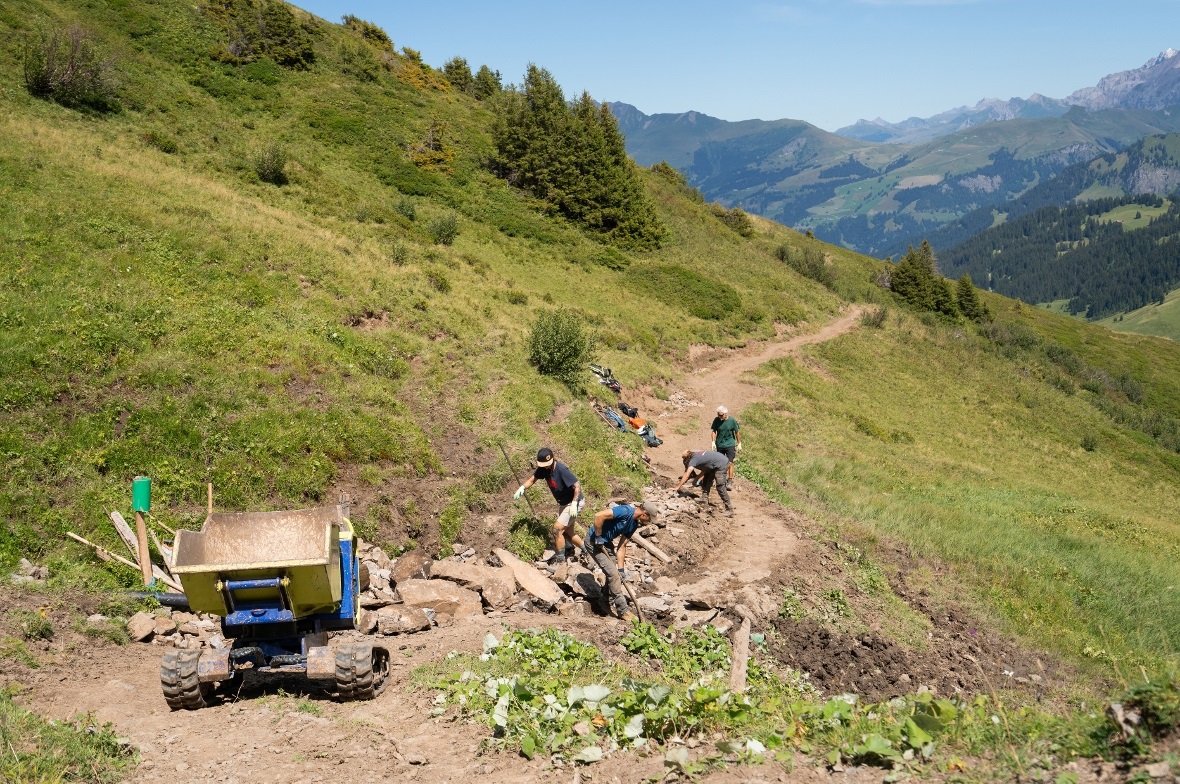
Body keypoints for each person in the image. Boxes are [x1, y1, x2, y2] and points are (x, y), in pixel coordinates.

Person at [587, 502, 657, 621]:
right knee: (613, 575)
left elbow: (622, 546)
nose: (649, 522)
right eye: (650, 519)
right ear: (644, 514)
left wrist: (621, 568)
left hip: (606, 544)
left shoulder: (633, 525)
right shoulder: (625, 511)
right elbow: (599, 515)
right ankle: (622, 610)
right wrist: (598, 535)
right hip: (593, 542)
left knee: (616, 574)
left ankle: (605, 601)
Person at [513, 447, 585, 562]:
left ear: (552, 460)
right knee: (568, 532)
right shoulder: (543, 469)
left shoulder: (561, 469)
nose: (545, 467)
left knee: (557, 529)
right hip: (564, 503)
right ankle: (587, 550)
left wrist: (574, 503)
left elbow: (577, 486)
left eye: (547, 464)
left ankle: (560, 560)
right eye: (543, 465)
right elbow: (532, 480)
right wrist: (522, 488)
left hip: (574, 502)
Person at [671, 450, 734, 515]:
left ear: (688, 458)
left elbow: (687, 474)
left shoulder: (694, 460)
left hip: (722, 463)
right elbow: (704, 469)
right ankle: (704, 498)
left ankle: (729, 509)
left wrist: (677, 487)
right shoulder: (695, 455)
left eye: (684, 459)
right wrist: (697, 479)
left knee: (720, 486)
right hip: (715, 463)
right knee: (707, 480)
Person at [710, 405, 741, 491]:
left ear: (725, 414)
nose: (719, 416)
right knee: (719, 463)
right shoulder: (716, 420)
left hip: (730, 444)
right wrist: (713, 442)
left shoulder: (732, 421)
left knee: (730, 462)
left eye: (721, 415)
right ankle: (718, 479)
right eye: (718, 415)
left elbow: (737, 432)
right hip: (720, 444)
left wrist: (739, 443)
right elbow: (714, 431)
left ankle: (730, 480)